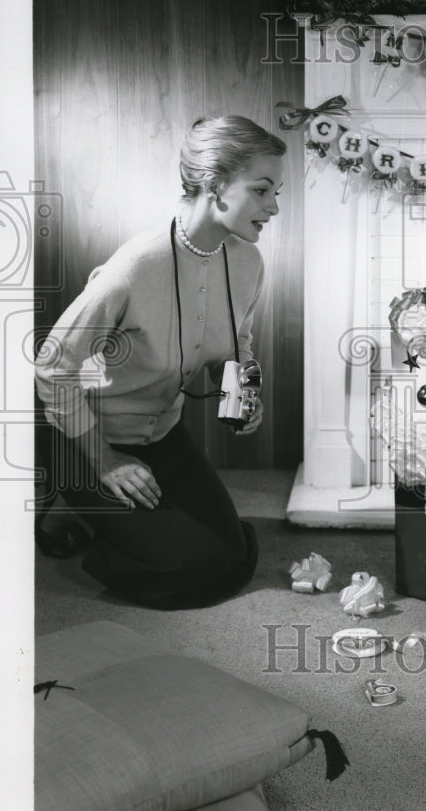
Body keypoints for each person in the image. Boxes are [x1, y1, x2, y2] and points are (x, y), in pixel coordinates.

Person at [34, 115, 286, 609]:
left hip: (162, 434)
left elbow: (237, 345)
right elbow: (52, 365)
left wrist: (241, 395)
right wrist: (105, 461)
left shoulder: (248, 263)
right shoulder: (135, 268)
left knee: (233, 556)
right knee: (189, 570)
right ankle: (82, 508)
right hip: (84, 440)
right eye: (262, 190)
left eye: (276, 192)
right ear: (215, 185)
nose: (274, 206)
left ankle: (133, 526)